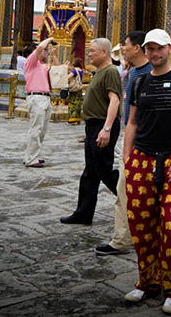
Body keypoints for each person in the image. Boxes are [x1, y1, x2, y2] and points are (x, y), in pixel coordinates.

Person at [122, 29, 171, 315]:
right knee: (141, 224)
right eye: (150, 49)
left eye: (159, 49)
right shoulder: (139, 81)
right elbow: (132, 122)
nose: (155, 54)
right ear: (145, 50)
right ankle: (148, 281)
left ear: (169, 48)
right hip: (141, 159)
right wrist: (128, 157)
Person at [96, 30, 150, 257]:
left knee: (147, 197)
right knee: (123, 193)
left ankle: (147, 239)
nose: (123, 50)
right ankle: (121, 239)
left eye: (125, 45)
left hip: (148, 143)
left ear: (136, 48)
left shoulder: (151, 73)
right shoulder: (132, 73)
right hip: (130, 140)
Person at [61, 38, 122, 225]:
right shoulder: (99, 72)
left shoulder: (110, 72)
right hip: (92, 126)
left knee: (104, 170)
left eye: (93, 51)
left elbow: (115, 101)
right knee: (91, 172)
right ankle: (83, 213)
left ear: (104, 52)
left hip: (102, 126)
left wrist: (106, 128)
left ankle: (134, 200)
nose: (89, 54)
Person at [22, 37, 56, 168]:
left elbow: (57, 68)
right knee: (36, 128)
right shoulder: (30, 62)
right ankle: (31, 158)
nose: (45, 52)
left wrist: (53, 55)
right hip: (36, 97)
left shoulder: (43, 66)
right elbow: (40, 48)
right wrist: (50, 39)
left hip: (45, 97)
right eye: (45, 51)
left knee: (42, 129)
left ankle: (34, 154)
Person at [65, 58, 85, 125]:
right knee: (78, 105)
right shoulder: (81, 70)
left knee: (72, 104)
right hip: (79, 89)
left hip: (74, 90)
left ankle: (72, 120)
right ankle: (77, 119)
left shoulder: (75, 70)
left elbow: (68, 77)